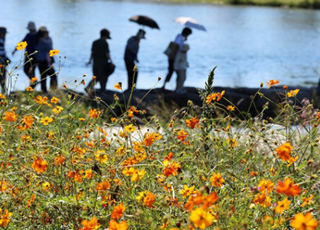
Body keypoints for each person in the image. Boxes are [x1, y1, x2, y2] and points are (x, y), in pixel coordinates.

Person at [86, 28, 114, 94]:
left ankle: (88, 88)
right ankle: (102, 91)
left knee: (96, 76)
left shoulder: (95, 42)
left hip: (95, 62)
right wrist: (111, 62)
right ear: (106, 35)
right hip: (103, 63)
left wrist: (90, 61)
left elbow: (92, 52)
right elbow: (107, 53)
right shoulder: (105, 43)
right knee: (103, 77)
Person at [12, 22, 38, 88]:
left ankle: (32, 85)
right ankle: (33, 81)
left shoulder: (37, 35)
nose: (29, 30)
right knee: (25, 69)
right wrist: (15, 49)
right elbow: (22, 42)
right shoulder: (28, 35)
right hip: (27, 55)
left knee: (32, 70)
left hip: (35, 56)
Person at [34, 26, 58, 93]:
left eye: (47, 32)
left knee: (52, 76)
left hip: (48, 61)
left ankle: (52, 90)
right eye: (45, 33)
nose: (47, 34)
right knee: (44, 77)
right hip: (42, 61)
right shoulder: (40, 40)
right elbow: (49, 48)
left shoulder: (47, 39)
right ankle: (45, 91)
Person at [0, 27, 10, 93]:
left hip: (2, 62)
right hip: (1, 63)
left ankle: (3, 94)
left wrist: (6, 58)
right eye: (4, 34)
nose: (5, 35)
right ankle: (3, 94)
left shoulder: (2, 39)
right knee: (2, 79)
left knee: (3, 79)